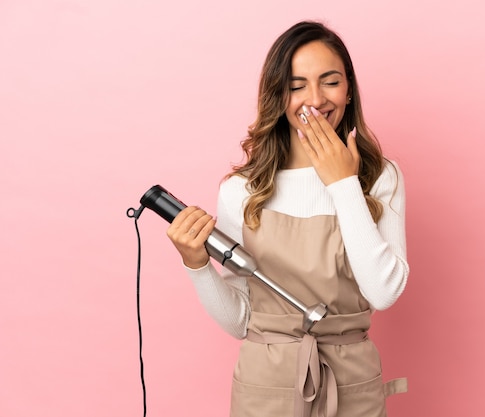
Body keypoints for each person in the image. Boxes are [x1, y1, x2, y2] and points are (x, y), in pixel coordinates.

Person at [166, 20, 409, 417]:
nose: (314, 98)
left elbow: (383, 293)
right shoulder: (241, 189)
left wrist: (344, 184)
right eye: (296, 86)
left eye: (330, 81)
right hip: (266, 387)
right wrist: (197, 267)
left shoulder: (382, 177)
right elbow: (242, 320)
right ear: (278, 96)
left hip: (352, 383)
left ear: (349, 91)